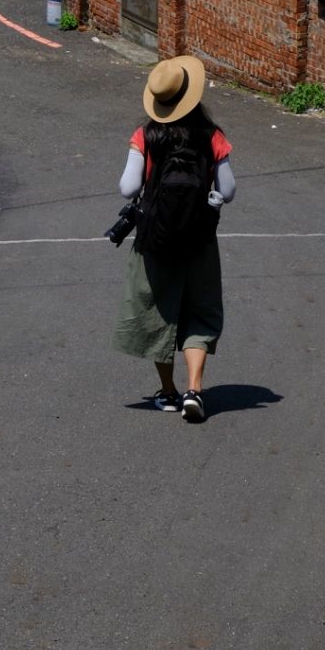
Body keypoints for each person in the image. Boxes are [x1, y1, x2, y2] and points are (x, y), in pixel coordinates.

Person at [113, 55, 234, 422]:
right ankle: (195, 389)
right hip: (199, 239)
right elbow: (227, 189)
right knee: (199, 313)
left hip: (156, 240)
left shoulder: (146, 135)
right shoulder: (212, 136)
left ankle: (168, 393)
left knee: (157, 313)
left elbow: (128, 187)